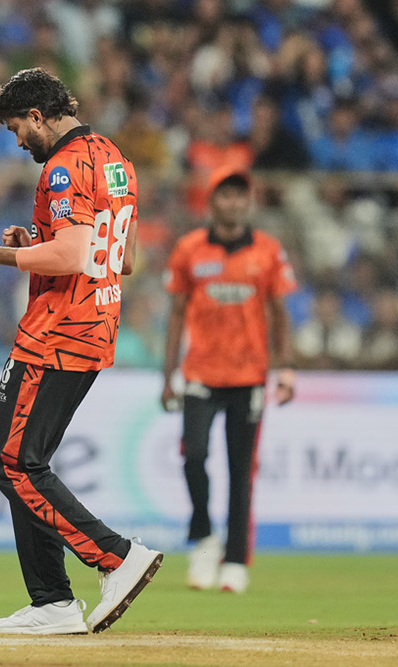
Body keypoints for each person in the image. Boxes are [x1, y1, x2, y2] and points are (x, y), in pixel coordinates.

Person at [0, 67, 162, 636]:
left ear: (37, 116)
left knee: (13, 463)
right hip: (94, 328)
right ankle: (51, 601)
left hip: (55, 332)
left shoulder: (63, 166)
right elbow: (118, 259)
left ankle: (115, 557)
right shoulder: (114, 160)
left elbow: (73, 256)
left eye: (17, 130)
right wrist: (36, 245)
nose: (17, 142)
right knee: (22, 463)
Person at [161, 168, 296, 594]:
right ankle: (204, 539)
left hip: (249, 376)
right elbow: (177, 314)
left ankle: (236, 560)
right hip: (201, 373)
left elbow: (280, 315)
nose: (235, 202)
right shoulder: (189, 250)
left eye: (242, 195)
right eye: (227, 195)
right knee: (193, 457)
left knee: (241, 472)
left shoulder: (268, 252)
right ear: (211, 201)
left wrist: (286, 368)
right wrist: (167, 377)